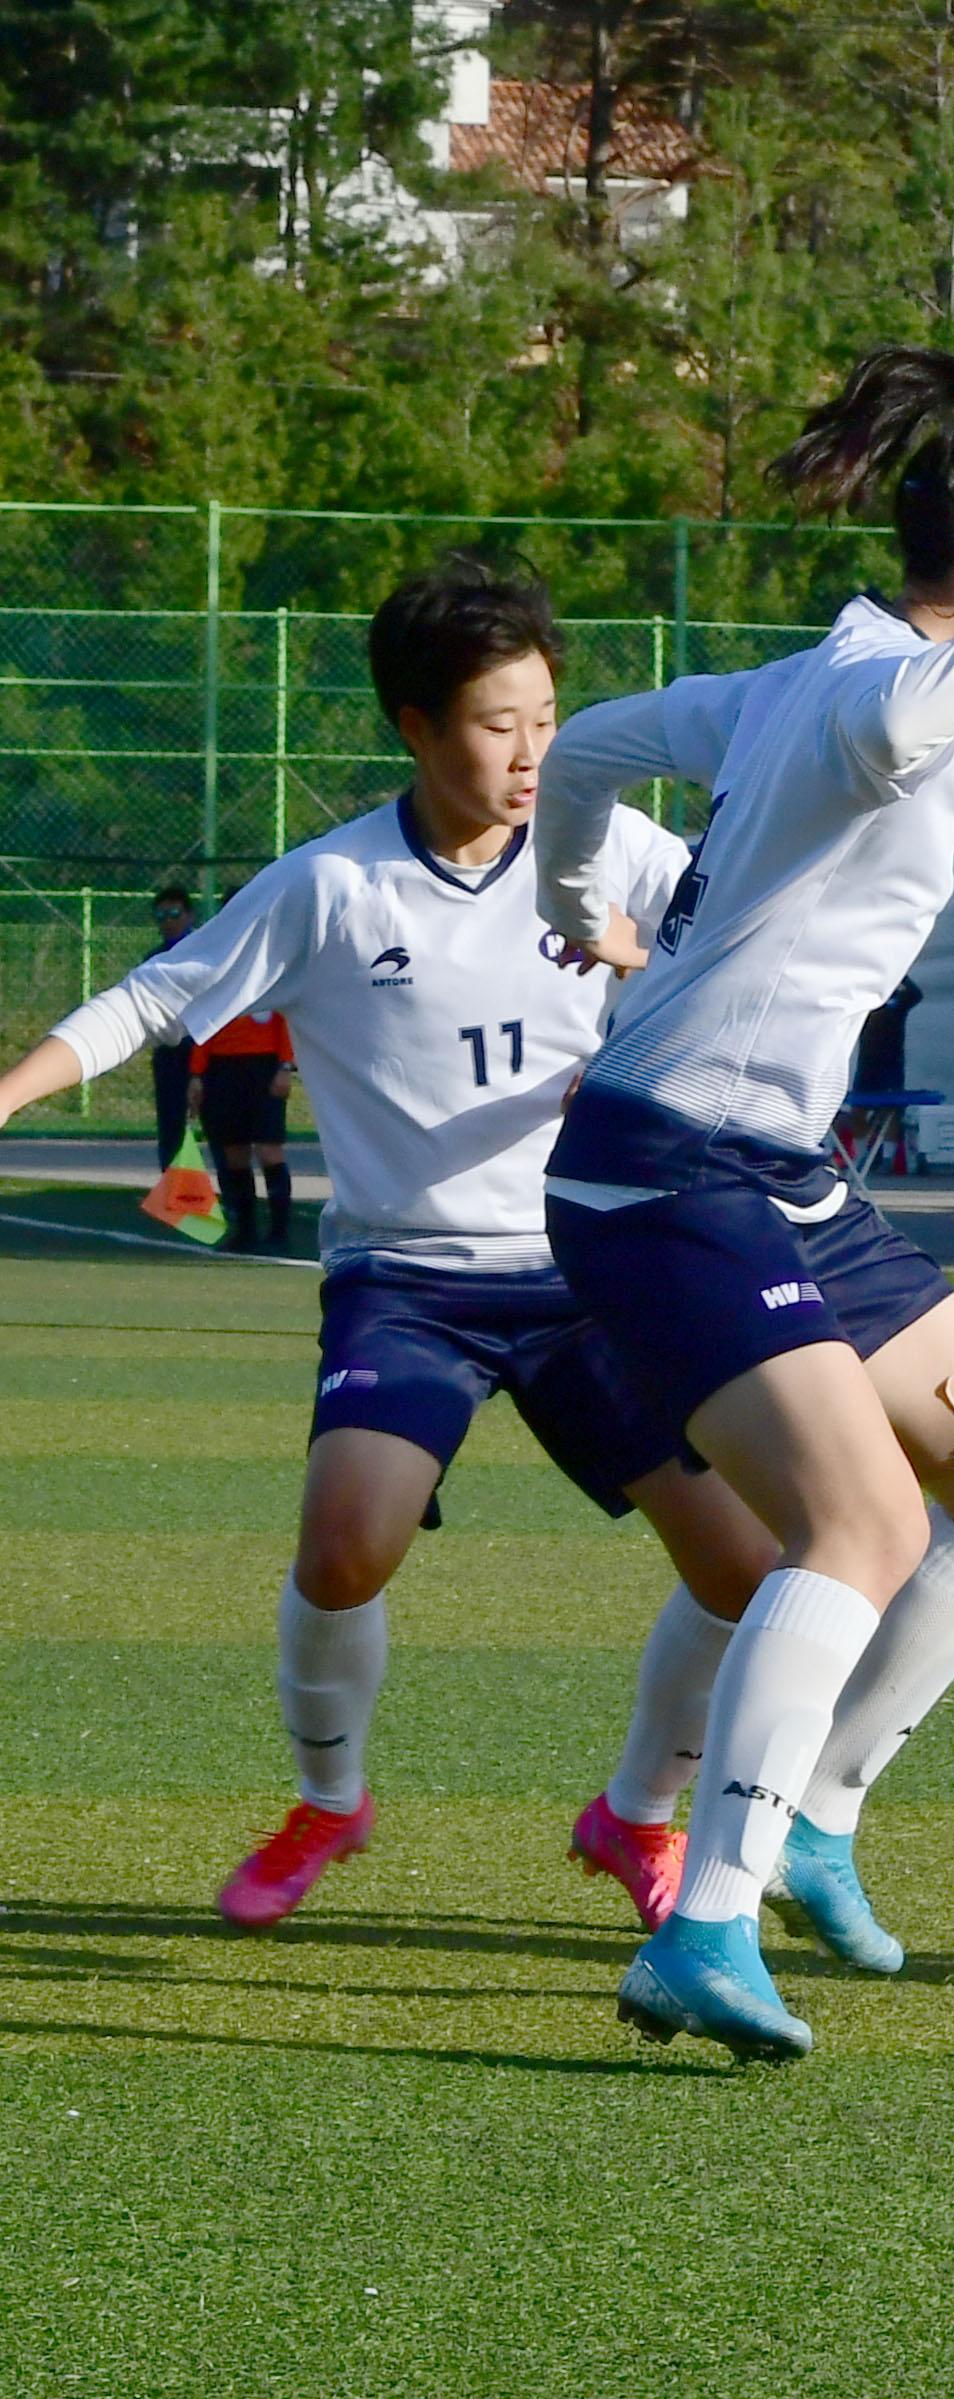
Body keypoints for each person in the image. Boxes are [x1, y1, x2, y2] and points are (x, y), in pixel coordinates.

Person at [528, 343, 954, 2059]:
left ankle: (812, 1810)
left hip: (778, 1179)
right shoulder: (867, 697)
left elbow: (590, 744)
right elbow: (909, 718)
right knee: (860, 1529)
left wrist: (586, 900)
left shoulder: (799, 681)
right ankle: (707, 1914)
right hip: (660, 1173)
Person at [0, 557, 780, 1935]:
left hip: (598, 1264)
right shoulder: (334, 887)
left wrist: (649, 973)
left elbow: (746, 961)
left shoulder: (618, 849)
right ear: (417, 727)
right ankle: (330, 1800)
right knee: (346, 1547)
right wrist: (10, 1091)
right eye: (499, 723)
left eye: (550, 716)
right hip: (409, 1281)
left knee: (744, 1564)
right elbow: (153, 1000)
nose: (536, 752)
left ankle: (635, 1818)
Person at [191, 1004, 299, 1250]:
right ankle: (245, 1231)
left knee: (268, 1149)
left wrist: (285, 1065)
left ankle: (279, 1232)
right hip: (221, 1067)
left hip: (264, 1065)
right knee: (234, 1152)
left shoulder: (268, 978)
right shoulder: (218, 982)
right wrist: (197, 1073)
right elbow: (204, 1025)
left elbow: (284, 1019)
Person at [146, 883, 198, 1167]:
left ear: (189, 916)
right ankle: (171, 1186)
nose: (168, 921)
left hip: (204, 1047)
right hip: (171, 1049)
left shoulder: (201, 951)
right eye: (161, 915)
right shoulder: (154, 960)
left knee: (220, 1124)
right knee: (170, 1122)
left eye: (175, 913)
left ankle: (235, 1195)